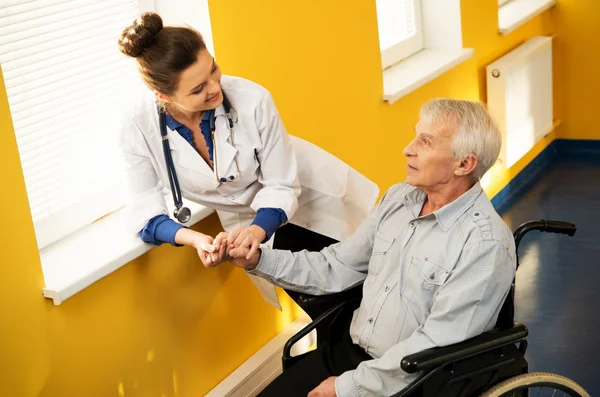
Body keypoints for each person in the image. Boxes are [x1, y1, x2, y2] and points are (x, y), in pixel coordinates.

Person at [224, 99, 517, 396]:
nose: (408, 148)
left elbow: (436, 343)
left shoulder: (485, 244)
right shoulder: (400, 199)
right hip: (351, 356)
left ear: (464, 164)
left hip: (416, 381)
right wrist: (259, 260)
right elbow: (338, 265)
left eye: (425, 142)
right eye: (415, 135)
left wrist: (346, 387)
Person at [116, 12, 379, 310]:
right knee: (324, 307)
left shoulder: (252, 99)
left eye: (213, 70)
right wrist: (198, 241)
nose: (215, 87)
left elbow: (280, 184)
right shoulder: (137, 126)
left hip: (310, 201)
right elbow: (144, 214)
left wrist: (256, 232)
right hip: (247, 227)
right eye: (197, 89)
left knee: (370, 292)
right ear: (163, 95)